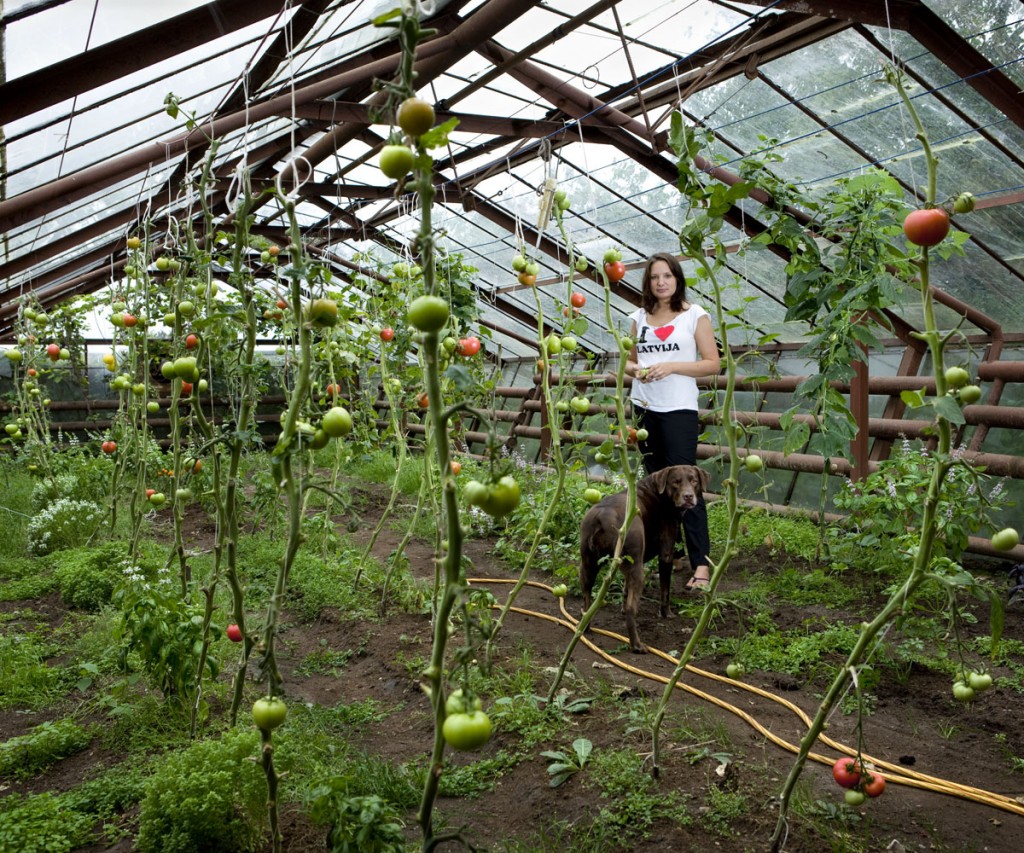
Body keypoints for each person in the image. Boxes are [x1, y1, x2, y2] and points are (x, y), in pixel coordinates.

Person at [624, 252, 720, 590]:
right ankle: (670, 554)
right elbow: (628, 364)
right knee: (658, 487)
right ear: (648, 283)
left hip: (679, 408)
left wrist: (672, 366)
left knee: (688, 487)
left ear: (677, 279)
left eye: (667, 275)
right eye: (654, 277)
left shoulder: (695, 315)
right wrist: (637, 370)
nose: (661, 282)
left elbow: (712, 364)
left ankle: (701, 567)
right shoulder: (639, 317)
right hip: (644, 408)